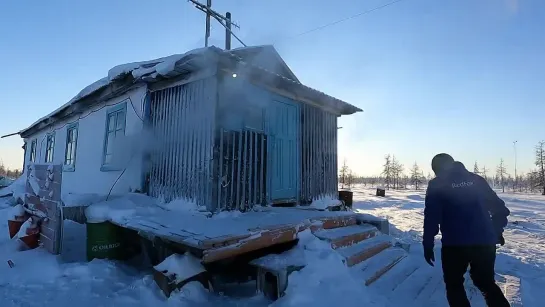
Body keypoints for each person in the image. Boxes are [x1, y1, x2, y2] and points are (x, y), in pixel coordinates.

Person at [423, 153, 511, 307]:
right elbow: (500, 209)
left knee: (454, 285)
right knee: (486, 283)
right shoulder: (477, 180)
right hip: (484, 243)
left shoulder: (436, 184)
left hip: (454, 245)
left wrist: (428, 244)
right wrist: (496, 231)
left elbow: (432, 218)